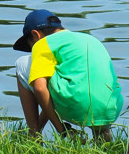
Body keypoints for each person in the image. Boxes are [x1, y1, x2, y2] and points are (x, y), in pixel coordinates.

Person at [13, 9, 123, 141]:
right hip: (111, 109)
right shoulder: (89, 39)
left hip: (76, 107)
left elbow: (40, 89)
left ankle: (34, 136)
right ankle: (103, 133)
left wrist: (62, 130)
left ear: (35, 35)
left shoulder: (43, 43)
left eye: (31, 46)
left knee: (22, 64)